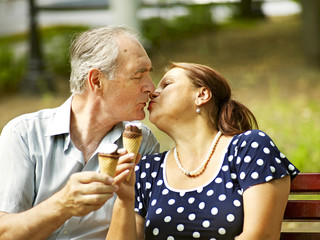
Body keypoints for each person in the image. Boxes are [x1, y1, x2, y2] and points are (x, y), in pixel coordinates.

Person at [106, 62, 299, 240]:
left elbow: (262, 236)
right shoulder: (147, 170)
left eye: (167, 85)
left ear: (202, 95)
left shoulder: (248, 148)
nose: (153, 93)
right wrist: (124, 200)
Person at [0, 25, 159, 239]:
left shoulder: (143, 142)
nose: (151, 87)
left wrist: (125, 200)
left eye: (149, 74)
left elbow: (138, 233)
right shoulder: (24, 135)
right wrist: (62, 205)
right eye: (138, 76)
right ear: (96, 81)